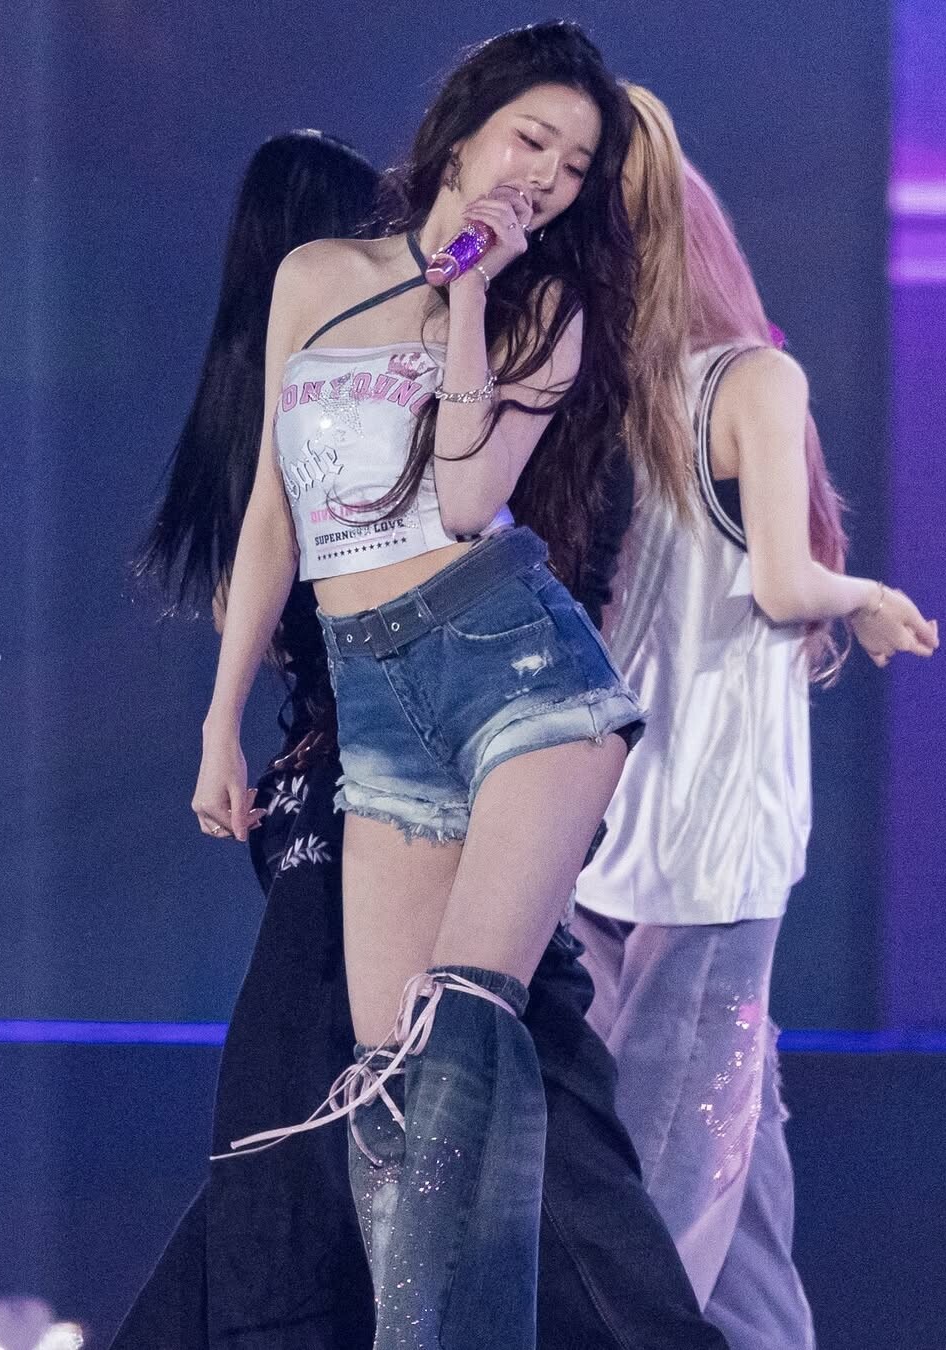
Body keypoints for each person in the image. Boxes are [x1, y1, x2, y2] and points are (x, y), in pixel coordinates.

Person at [118, 117, 725, 1350]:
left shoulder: (518, 346)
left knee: (446, 1074)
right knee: (376, 1097)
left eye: (572, 169)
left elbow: (481, 522)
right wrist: (232, 720)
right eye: (533, 146)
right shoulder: (317, 342)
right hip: (356, 759)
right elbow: (267, 546)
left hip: (466, 730)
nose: (541, 182)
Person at [573, 85, 940, 1350]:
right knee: (669, 1202)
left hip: (604, 829)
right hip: (711, 848)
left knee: (739, 1174)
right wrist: (869, 595)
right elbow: (783, 584)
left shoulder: (597, 402)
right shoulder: (755, 381)